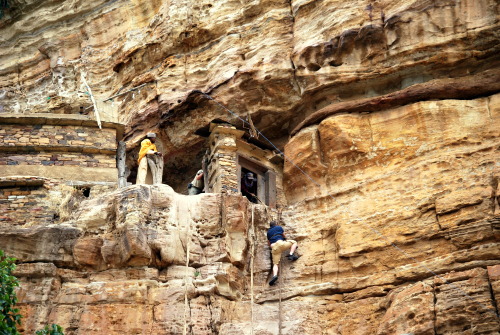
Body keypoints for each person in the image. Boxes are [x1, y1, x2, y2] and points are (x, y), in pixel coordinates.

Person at [266, 220, 299, 286]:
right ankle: (291, 254)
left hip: (274, 248)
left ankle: (274, 276)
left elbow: (269, 243)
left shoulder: (268, 232)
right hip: (280, 243)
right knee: (294, 242)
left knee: (275, 264)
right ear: (276, 224)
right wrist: (285, 240)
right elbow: (283, 235)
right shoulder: (279, 227)